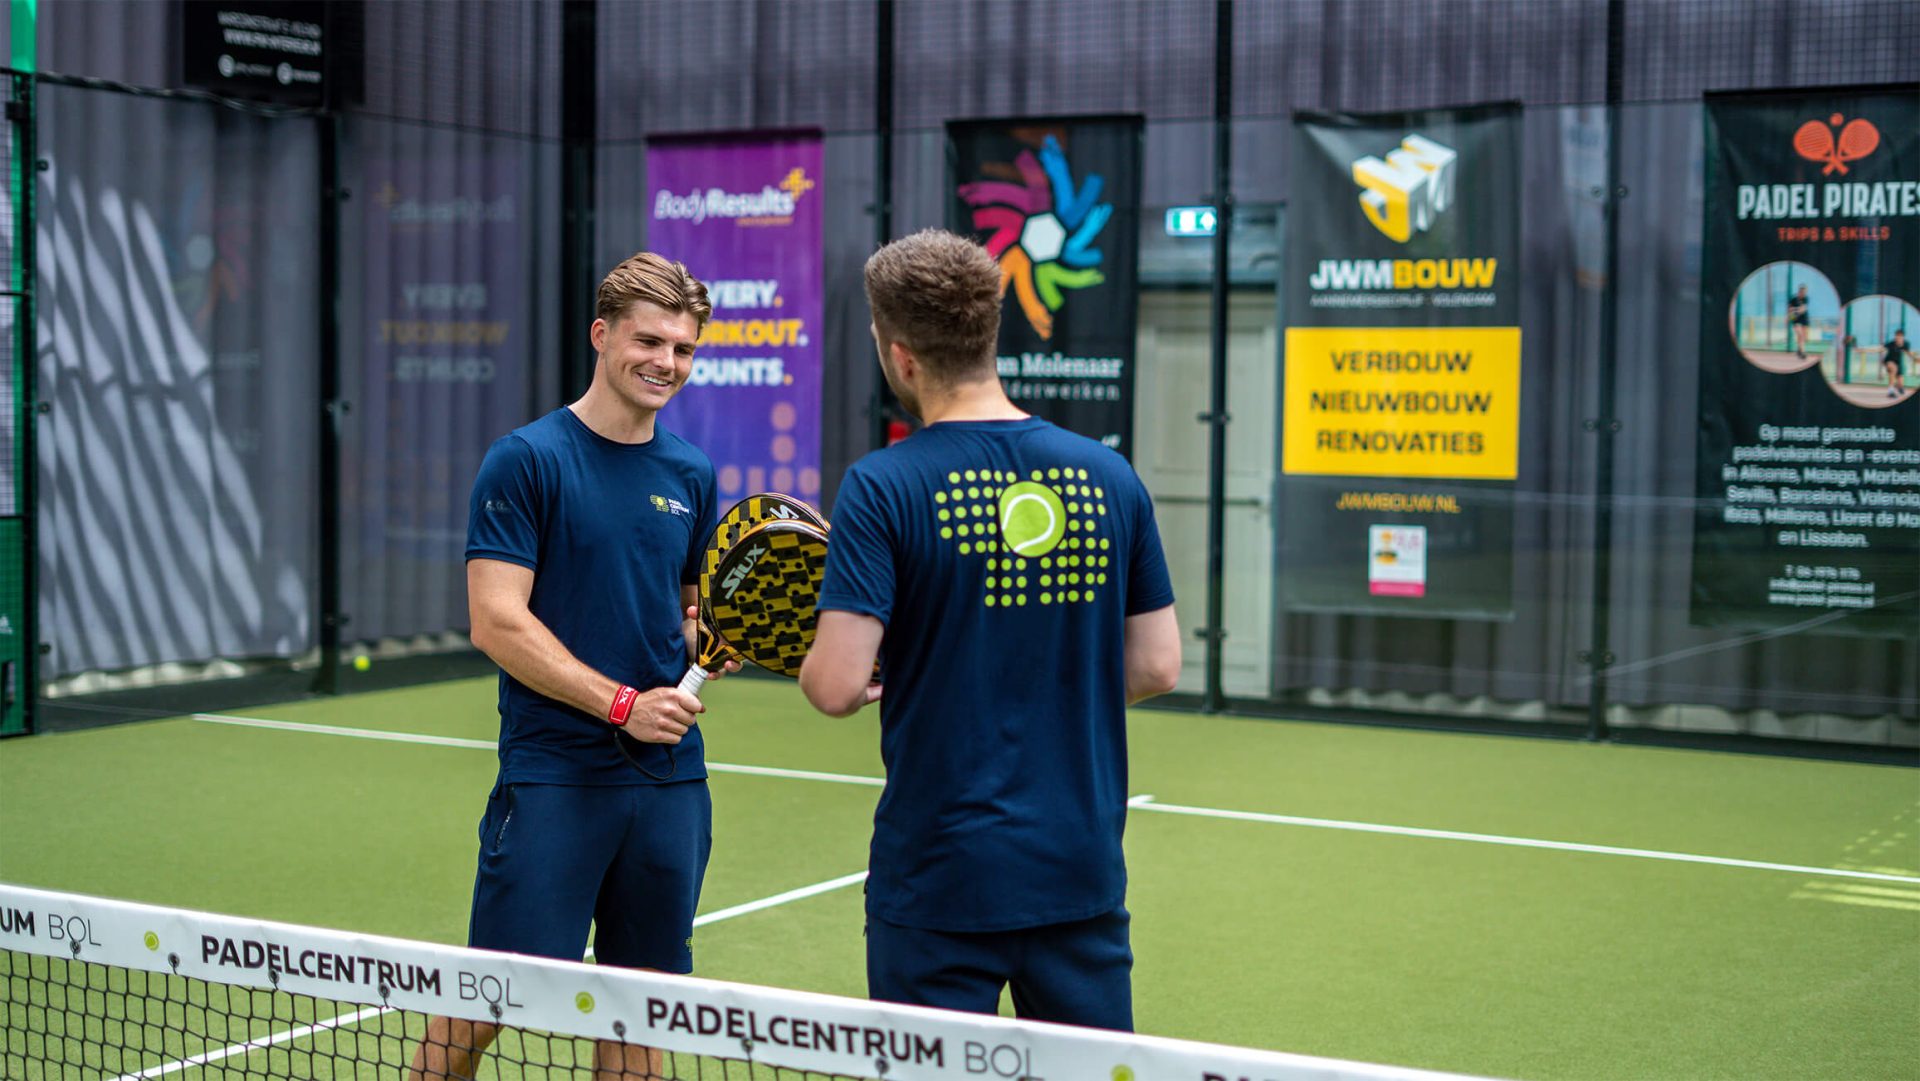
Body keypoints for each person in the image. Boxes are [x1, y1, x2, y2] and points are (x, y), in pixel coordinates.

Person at [799, 229, 1182, 1032]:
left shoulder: (883, 485)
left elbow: (836, 686)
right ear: (988, 332)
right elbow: (1157, 666)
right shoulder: (1110, 475)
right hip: (1078, 872)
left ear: (899, 354)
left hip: (940, 879)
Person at [410, 252, 733, 1080]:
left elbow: (689, 612)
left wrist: (711, 647)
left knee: (642, 1010)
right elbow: (496, 619)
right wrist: (623, 703)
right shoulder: (527, 459)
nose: (667, 363)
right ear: (602, 335)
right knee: (491, 995)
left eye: (685, 348)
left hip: (668, 785)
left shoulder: (693, 474)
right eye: (650, 340)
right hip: (555, 775)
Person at [1883, 328, 1910, 399]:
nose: (1898, 337)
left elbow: (1908, 353)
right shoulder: (1891, 344)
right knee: (1893, 369)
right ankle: (1890, 392)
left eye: (1900, 336)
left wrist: (1915, 359)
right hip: (1889, 361)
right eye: (1897, 336)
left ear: (1903, 337)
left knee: (1900, 383)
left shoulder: (1906, 344)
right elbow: (1881, 349)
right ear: (1895, 336)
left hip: (1898, 362)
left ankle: (1899, 387)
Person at [1787, 283, 1811, 359]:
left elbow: (1803, 309)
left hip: (1804, 318)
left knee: (1803, 337)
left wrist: (1795, 309)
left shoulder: (1806, 298)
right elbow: (1789, 309)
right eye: (1802, 291)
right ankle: (1803, 352)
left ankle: (1799, 350)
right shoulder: (1793, 299)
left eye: (1805, 292)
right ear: (1799, 291)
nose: (1803, 293)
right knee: (1799, 334)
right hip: (1795, 319)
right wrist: (1795, 311)